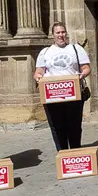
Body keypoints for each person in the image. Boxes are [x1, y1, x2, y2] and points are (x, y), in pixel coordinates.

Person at [34, 22, 91, 151]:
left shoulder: (76, 49)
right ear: (53, 35)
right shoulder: (45, 52)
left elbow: (86, 68)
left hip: (73, 93)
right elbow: (39, 71)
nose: (61, 35)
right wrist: (38, 77)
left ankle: (76, 151)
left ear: (66, 33)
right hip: (52, 95)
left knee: (74, 125)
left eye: (63, 32)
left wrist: (82, 75)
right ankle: (62, 153)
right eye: (58, 33)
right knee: (57, 126)